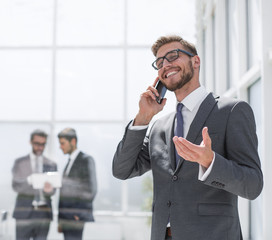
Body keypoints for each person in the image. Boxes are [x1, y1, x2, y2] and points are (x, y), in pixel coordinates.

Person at [112, 35, 263, 240]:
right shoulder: (159, 127)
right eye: (160, 62)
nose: (166, 64)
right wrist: (142, 118)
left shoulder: (232, 111)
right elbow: (122, 170)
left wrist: (210, 162)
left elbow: (253, 185)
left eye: (173, 56)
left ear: (196, 61)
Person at [12, 129, 57, 240]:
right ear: (31, 142)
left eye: (43, 144)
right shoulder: (20, 162)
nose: (40, 147)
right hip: (24, 213)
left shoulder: (51, 164)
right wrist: (29, 180)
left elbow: (54, 190)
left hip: (43, 214)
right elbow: (15, 185)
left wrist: (49, 190)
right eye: (37, 144)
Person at [57, 128, 97, 240]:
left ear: (73, 141)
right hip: (66, 217)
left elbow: (91, 190)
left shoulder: (86, 160)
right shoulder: (68, 163)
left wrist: (78, 214)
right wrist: (60, 220)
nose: (60, 147)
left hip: (75, 217)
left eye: (62, 143)